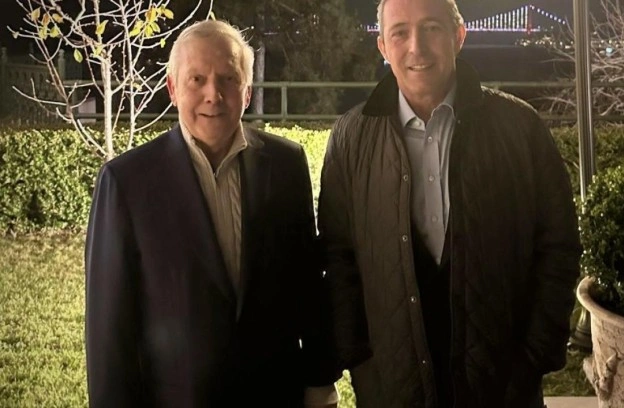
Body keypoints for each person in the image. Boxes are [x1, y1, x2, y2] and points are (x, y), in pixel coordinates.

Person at [317, 0, 583, 406]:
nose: (417, 47)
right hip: (391, 391)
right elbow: (338, 259)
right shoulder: (350, 138)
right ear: (383, 47)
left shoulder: (520, 127)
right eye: (400, 33)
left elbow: (558, 247)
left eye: (432, 28)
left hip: (504, 391)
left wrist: (533, 359)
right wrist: (362, 365)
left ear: (459, 36)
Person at [85, 20, 338, 407]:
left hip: (275, 396)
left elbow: (307, 283)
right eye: (197, 79)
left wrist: (320, 381)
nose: (213, 94)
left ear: (247, 91)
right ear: (172, 88)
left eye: (228, 79)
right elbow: (109, 328)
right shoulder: (127, 181)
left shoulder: (286, 164)